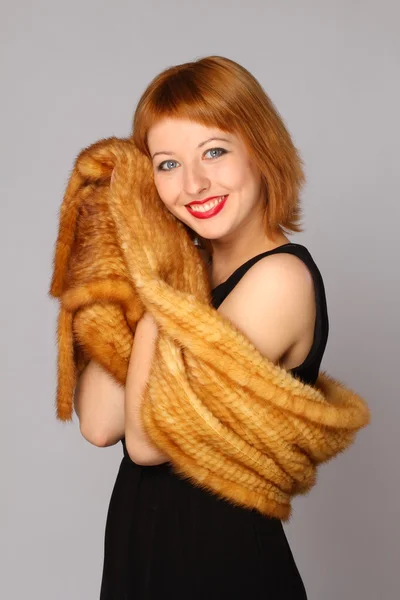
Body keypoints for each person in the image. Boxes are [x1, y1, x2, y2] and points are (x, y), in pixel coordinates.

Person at [74, 55, 329, 599]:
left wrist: (156, 280)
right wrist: (139, 263)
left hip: (223, 572)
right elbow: (99, 421)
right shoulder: (188, 273)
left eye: (214, 151)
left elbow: (147, 442)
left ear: (261, 151)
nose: (193, 183)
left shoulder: (279, 279)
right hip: (144, 564)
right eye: (166, 164)